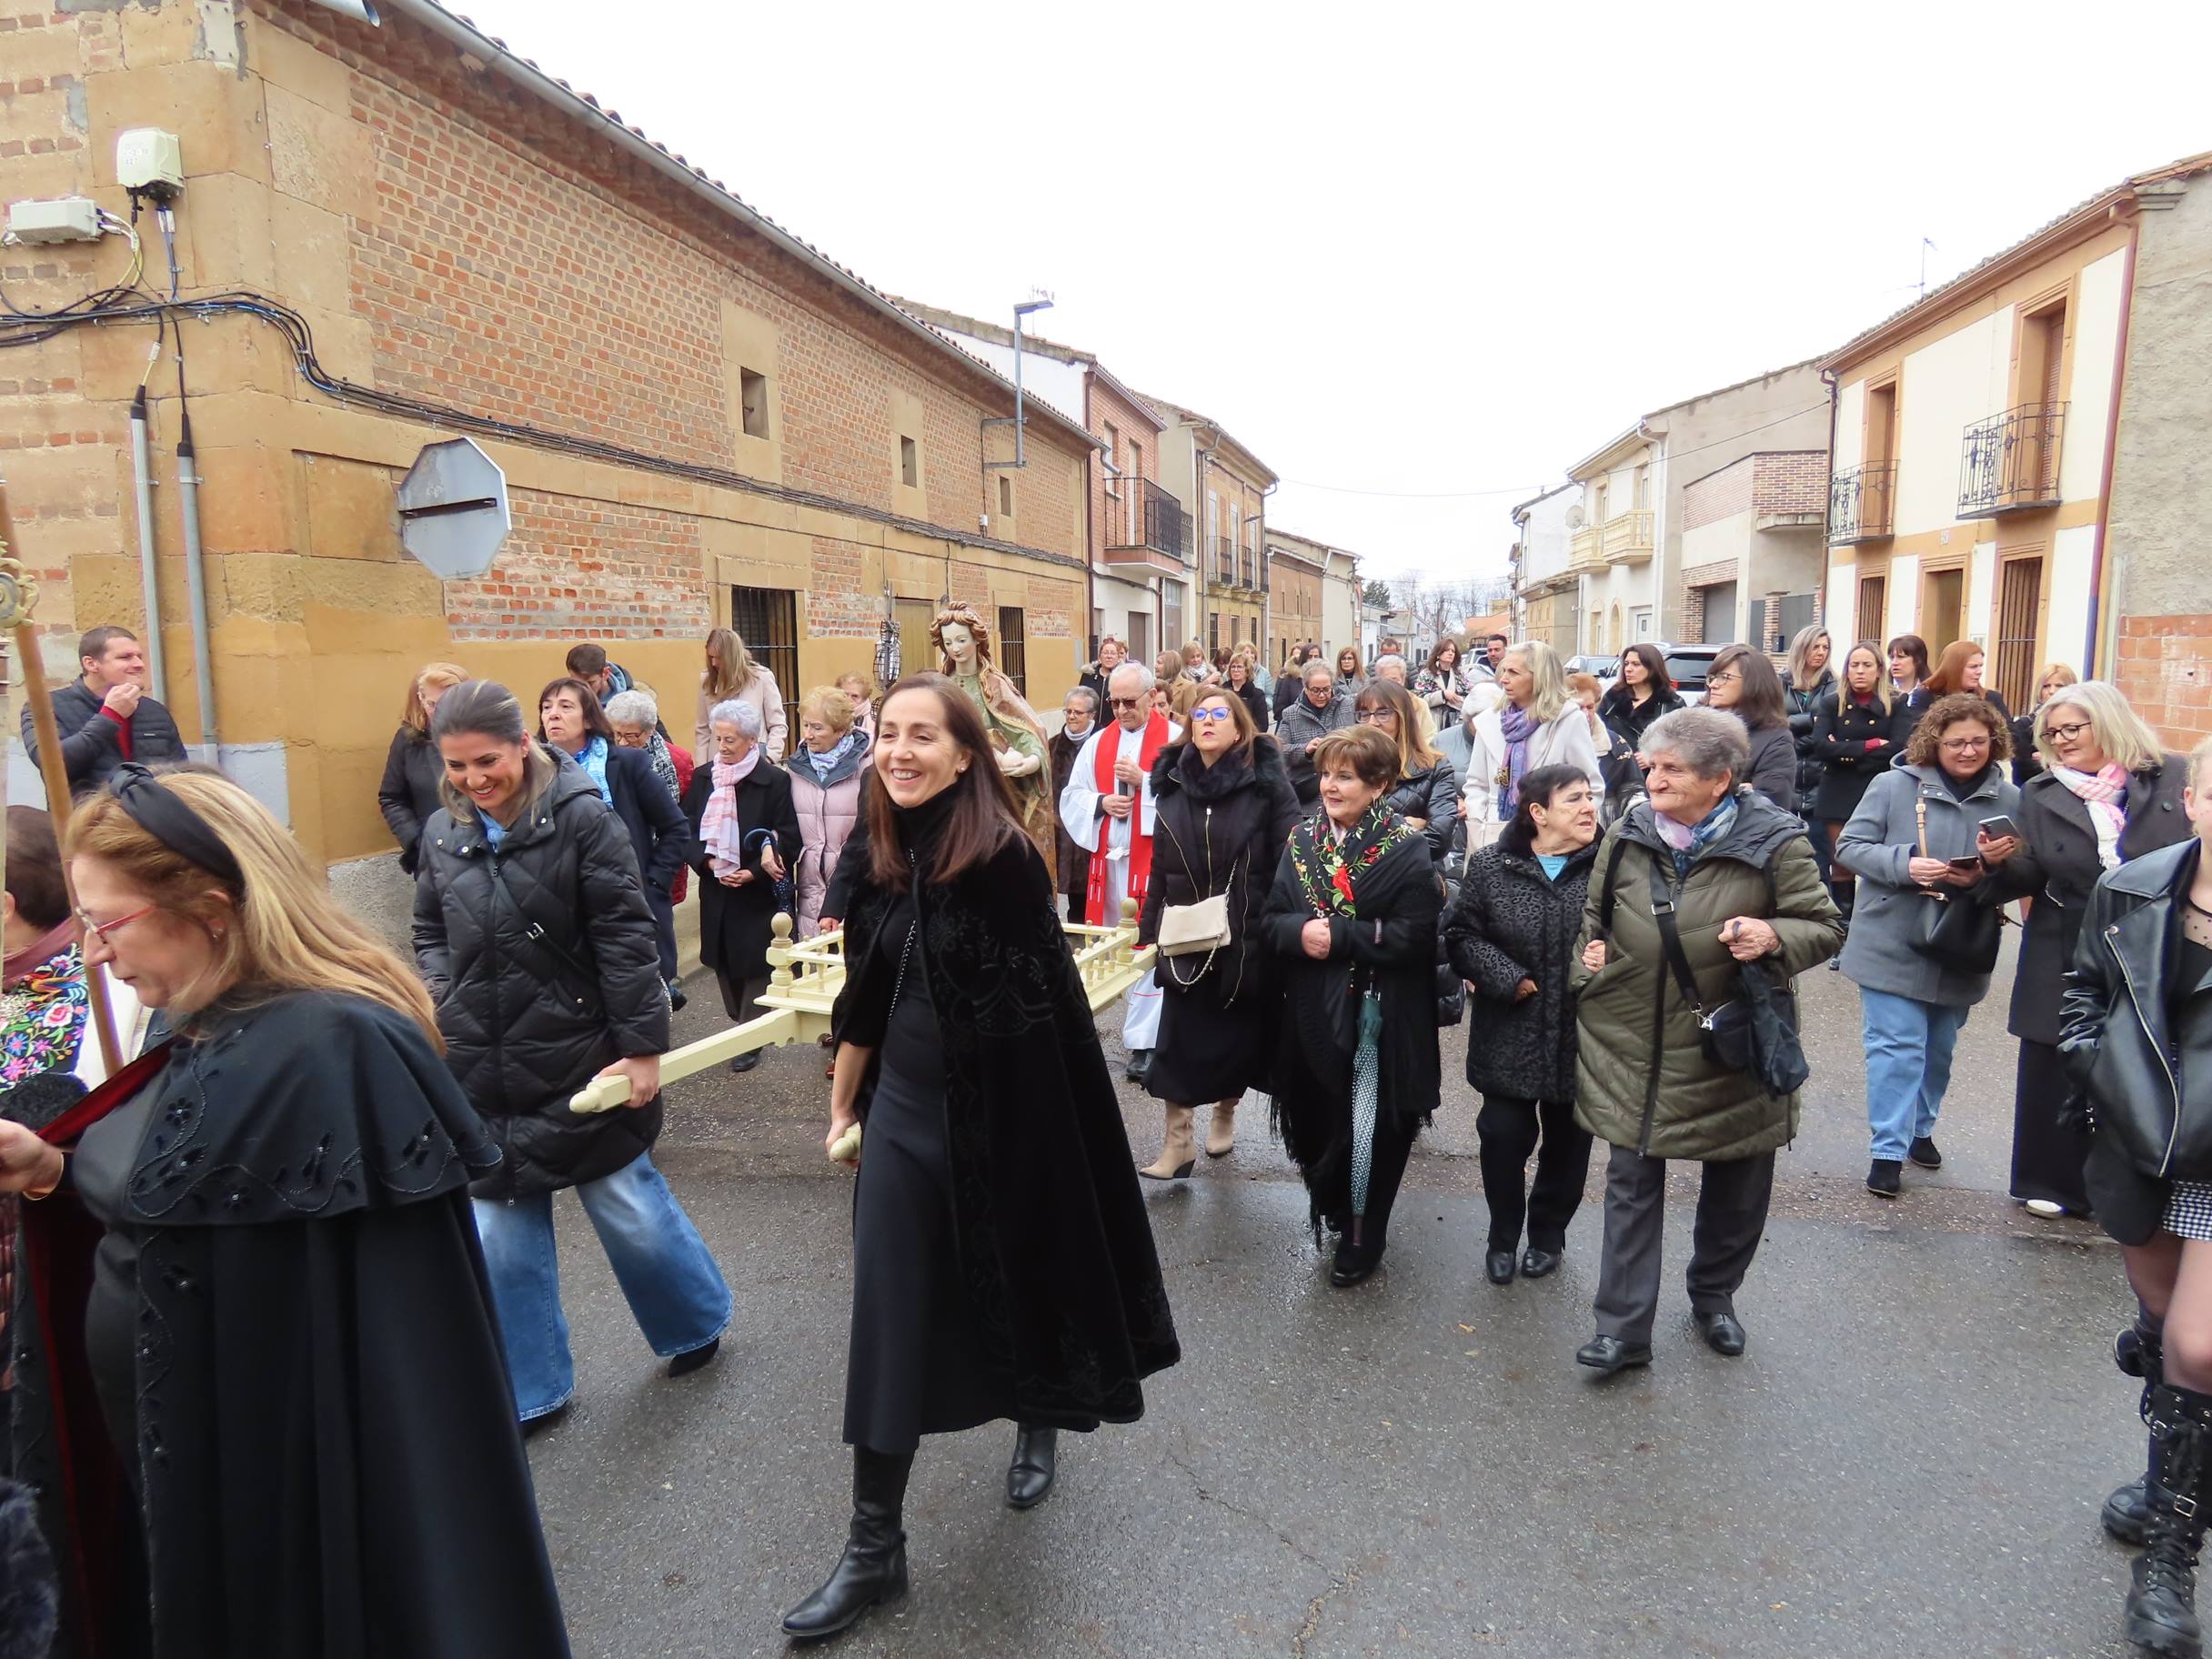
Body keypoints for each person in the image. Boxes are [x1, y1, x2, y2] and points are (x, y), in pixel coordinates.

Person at [3, 761, 569, 1654]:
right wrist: (52, 1170)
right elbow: (195, 1194)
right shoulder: (201, 1017)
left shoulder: (341, 1050)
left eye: (106, 924)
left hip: (284, 1521)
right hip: (194, 1480)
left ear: (212, 905)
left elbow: (407, 1387)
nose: (91, 955)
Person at [788, 674, 1179, 1641]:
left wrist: (1030, 1145)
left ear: (967, 755)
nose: (901, 751)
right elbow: (869, 984)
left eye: (924, 736)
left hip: (1003, 1118)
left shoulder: (1000, 857)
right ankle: (874, 1549)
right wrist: (846, 1094)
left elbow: (1036, 1019)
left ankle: (1034, 1415)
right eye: (889, 734)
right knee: (888, 1317)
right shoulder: (882, 845)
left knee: (1020, 1278)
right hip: (902, 1119)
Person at [417, 680, 729, 1425]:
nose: (472, 781)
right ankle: (531, 1389)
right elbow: (429, 929)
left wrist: (644, 1048)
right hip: (478, 1060)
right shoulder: (440, 831)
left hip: (579, 1049)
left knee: (626, 1203)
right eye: (456, 767)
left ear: (523, 745)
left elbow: (626, 939)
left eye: (486, 761)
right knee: (499, 1234)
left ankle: (694, 1323)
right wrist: (441, 996)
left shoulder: (584, 819)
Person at [1571, 708, 1844, 1373]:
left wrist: (1775, 937)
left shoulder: (1777, 839)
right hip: (1632, 1034)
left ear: (1720, 780)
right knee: (1631, 1178)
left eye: (1670, 769)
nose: (1651, 777)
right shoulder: (1630, 831)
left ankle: (1714, 1295)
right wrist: (1591, 965)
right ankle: (1623, 1329)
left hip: (1731, 1036)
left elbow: (1825, 926)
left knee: (1738, 1175)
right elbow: (1593, 916)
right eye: (1651, 764)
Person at [2056, 735, 2212, 1658]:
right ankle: (2171, 1482)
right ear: (2194, 800)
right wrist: (2113, 1085)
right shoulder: (2135, 888)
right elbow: (2081, 1001)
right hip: (2146, 1147)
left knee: (2197, 1345)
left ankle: (2166, 1562)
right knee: (2160, 1330)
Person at [1984, 680, 2188, 1222]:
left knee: (2146, 1056)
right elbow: (2030, 873)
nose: (2061, 740)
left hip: (2155, 941)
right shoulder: (2042, 792)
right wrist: (1998, 861)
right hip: (2065, 936)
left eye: (2073, 728)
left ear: (2109, 722)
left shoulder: (2171, 775)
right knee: (2056, 1059)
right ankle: (2050, 1180)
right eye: (2052, 733)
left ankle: (2145, 1180)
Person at [1264, 724, 1443, 1287]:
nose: (1329, 786)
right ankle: (1338, 1205)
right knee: (1317, 1119)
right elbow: (1271, 920)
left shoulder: (1409, 850)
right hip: (1312, 1010)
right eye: (1324, 775)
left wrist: (1338, 938)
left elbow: (1415, 935)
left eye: (1345, 777)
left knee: (1374, 1127)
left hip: (1379, 1017)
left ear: (1380, 784)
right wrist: (1299, 934)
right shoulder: (1300, 841)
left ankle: (1365, 1235)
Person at [1835, 693, 2022, 1198]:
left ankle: (1920, 1128)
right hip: (1892, 935)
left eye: (1979, 742)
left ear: (1995, 743)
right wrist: (1905, 863)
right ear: (1934, 741)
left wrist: (1991, 866)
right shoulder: (1893, 785)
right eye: (1956, 741)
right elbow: (1849, 848)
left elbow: (2023, 875)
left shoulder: (2010, 800)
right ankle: (1888, 1150)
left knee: (1938, 1048)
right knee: (1896, 1046)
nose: (1967, 751)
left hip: (1961, 940)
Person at [1444, 764, 1601, 1285]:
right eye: (1574, 799)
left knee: (1570, 1142)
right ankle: (1503, 1234)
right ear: (1538, 813)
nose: (1588, 808)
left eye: (1590, 797)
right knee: (1502, 1136)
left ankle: (1548, 1234)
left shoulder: (1606, 867)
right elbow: (1462, 935)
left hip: (1583, 1032)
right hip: (1511, 1028)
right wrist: (1507, 977)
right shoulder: (1492, 864)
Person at [1135, 687, 1300, 1178]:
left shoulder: (1266, 783)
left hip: (1246, 939)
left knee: (1238, 1039)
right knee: (1176, 1041)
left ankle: (1226, 1112)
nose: (1206, 721)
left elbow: (1290, 860)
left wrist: (1282, 924)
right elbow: (1161, 868)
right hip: (1186, 935)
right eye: (1199, 714)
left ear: (1239, 727)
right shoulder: (1171, 783)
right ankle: (1177, 1143)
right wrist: (1149, 928)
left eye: (1219, 714)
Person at [1060, 664, 1181, 1084]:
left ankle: (1145, 1042)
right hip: (1110, 864)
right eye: (1114, 702)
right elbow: (1071, 795)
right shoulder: (1098, 743)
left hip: (1156, 865)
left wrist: (1145, 781)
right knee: (1112, 942)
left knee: (1147, 942)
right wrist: (1101, 804)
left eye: (1130, 702)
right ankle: (1106, 1025)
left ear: (1151, 696)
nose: (1122, 710)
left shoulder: (1174, 739)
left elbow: (1191, 793)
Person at [540, 677, 692, 995]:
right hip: (567, 913)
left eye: (565, 706)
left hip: (631, 907)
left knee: (641, 1012)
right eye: (546, 707)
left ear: (588, 716)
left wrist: (653, 883)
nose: (553, 714)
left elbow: (676, 828)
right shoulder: (533, 774)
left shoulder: (627, 763)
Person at [683, 699, 802, 1071]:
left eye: (731, 740)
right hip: (717, 888)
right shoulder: (705, 778)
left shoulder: (775, 781)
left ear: (752, 740)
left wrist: (752, 870)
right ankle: (742, 1021)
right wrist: (706, 862)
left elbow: (788, 834)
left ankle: (750, 1036)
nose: (723, 746)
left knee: (755, 963)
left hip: (756, 890)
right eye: (719, 739)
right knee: (723, 963)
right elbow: (685, 831)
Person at [934, 605, 1056, 863]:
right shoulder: (942, 686)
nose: (954, 648)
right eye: (948, 642)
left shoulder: (994, 686)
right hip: (948, 784)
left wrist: (1032, 760)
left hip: (987, 786)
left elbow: (1026, 730)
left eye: (961, 640)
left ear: (977, 639)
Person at [1812, 641, 1908, 938]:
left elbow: (1900, 747)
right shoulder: (1832, 702)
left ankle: (1877, 930)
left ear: (1879, 670)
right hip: (1838, 790)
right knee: (1842, 864)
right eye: (1854, 665)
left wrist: (1845, 752)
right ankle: (1845, 932)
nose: (1860, 671)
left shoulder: (1898, 702)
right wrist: (1869, 746)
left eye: (1867, 665)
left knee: (1879, 862)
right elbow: (1820, 746)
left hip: (1881, 789)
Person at [1462, 640, 1604, 841]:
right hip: (1493, 837)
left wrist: (1564, 833)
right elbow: (1477, 784)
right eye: (1503, 671)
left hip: (1552, 839)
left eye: (1514, 672)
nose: (1503, 679)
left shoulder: (1568, 719)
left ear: (1540, 678)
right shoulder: (1489, 720)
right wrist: (1479, 823)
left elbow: (1591, 788)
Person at [19, 625, 186, 797]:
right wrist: (110, 716)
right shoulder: (45, 707)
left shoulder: (154, 711)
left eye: (139, 657)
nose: (139, 664)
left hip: (150, 820)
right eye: (125, 657)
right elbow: (52, 766)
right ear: (91, 664)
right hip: (88, 820)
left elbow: (183, 774)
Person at [789, 686, 874, 940]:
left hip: (855, 884)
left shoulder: (868, 766)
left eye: (817, 728)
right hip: (810, 890)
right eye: (806, 725)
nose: (808, 735)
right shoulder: (795, 768)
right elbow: (785, 823)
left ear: (840, 730)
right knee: (815, 970)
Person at [1354, 678, 1460, 865]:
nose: (1371, 722)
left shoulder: (1435, 767)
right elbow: (1336, 835)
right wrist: (1403, 826)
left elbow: (1439, 840)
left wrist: (1371, 840)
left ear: (1402, 717)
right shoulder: (1348, 766)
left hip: (1414, 878)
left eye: (1383, 713)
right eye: (1364, 714)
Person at [379, 660, 470, 875]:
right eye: (433, 705)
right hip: (433, 862)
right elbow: (392, 798)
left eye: (451, 703)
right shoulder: (408, 741)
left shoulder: (486, 736)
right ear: (421, 700)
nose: (442, 713)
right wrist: (418, 843)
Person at [1704, 644, 1796, 811]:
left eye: (1725, 677)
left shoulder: (1775, 738)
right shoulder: (1695, 726)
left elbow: (1771, 803)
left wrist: (1732, 794)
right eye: (1713, 677)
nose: (1714, 685)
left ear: (1753, 684)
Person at [1782, 627, 1836, 880]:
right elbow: (1773, 722)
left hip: (1821, 779)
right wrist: (1813, 721)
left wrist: (1795, 723)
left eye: (1825, 647)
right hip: (1787, 776)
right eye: (1816, 646)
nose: (1821, 653)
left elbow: (1833, 724)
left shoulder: (1834, 685)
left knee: (1819, 860)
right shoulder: (1779, 683)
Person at [698, 625, 788, 763]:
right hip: (717, 765)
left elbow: (778, 724)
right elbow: (703, 730)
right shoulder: (707, 680)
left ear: (731, 656)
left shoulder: (761, 678)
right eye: (711, 657)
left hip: (755, 761)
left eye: (719, 657)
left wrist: (770, 757)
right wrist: (702, 768)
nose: (714, 663)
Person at [1048, 687, 1101, 919]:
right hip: (1061, 829)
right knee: (1074, 898)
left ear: (1092, 715)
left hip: (1093, 827)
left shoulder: (1103, 742)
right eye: (1068, 711)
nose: (1071, 717)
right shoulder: (1052, 746)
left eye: (1078, 712)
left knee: (1096, 889)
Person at [1277, 659, 1355, 807]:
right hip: (1308, 797)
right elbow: (1279, 752)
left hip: (1345, 793)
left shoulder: (1347, 705)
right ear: (1305, 688)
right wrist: (1305, 750)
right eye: (1316, 690)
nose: (1322, 695)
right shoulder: (1291, 714)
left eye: (1326, 689)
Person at [1567, 670, 1642, 825]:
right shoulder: (1551, 741)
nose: (1585, 714)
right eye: (1578, 708)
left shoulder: (1615, 745)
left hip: (1604, 828)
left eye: (1590, 707)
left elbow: (1634, 792)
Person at [1596, 642, 1684, 752]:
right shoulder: (1613, 697)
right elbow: (1598, 731)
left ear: (1652, 667)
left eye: (1636, 664)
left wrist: (1651, 756)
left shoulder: (1672, 703)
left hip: (1653, 767)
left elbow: (1681, 743)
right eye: (1626, 664)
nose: (1628, 669)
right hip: (1617, 766)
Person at [2015, 662, 2078, 787]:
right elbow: (2023, 770)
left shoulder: (2081, 725)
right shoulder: (2024, 725)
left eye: (2059, 686)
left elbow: (2084, 762)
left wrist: (2046, 758)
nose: (2052, 691)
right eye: (2046, 686)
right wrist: (2060, 760)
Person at [1415, 638, 1472, 726]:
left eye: (1453, 651)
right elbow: (1419, 699)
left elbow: (1469, 694)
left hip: (1455, 721)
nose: (1450, 653)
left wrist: (1459, 700)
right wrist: (1442, 695)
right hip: (1433, 720)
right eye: (1446, 650)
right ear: (1438, 654)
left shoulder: (1459, 674)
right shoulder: (1427, 674)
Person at [1887, 633, 1933, 739]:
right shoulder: (1881, 692)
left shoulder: (1931, 691)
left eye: (1901, 657)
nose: (1894, 663)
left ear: (1918, 660)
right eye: (1891, 657)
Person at [567, 640, 638, 705]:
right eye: (576, 682)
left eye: (590, 683)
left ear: (605, 674)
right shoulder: (564, 699)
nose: (583, 689)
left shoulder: (632, 704)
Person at [1224, 650, 1271, 732]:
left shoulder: (1257, 695)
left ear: (1247, 670)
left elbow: (1262, 725)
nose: (1235, 670)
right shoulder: (1222, 691)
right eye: (1233, 667)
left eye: (1239, 667)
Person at [1079, 635, 1126, 707]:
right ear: (1100, 657)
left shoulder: (1123, 677)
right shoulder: (1088, 675)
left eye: (1113, 654)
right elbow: (1080, 698)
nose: (1109, 656)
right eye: (1105, 653)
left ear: (1118, 658)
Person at [837, 670, 880, 739]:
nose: (848, 700)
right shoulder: (833, 716)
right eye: (844, 695)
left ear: (865, 698)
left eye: (855, 696)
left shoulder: (874, 720)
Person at [1273, 645, 1311, 719]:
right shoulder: (1286, 676)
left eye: (1299, 655)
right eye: (1294, 655)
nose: (1297, 658)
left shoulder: (1312, 675)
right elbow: (1279, 703)